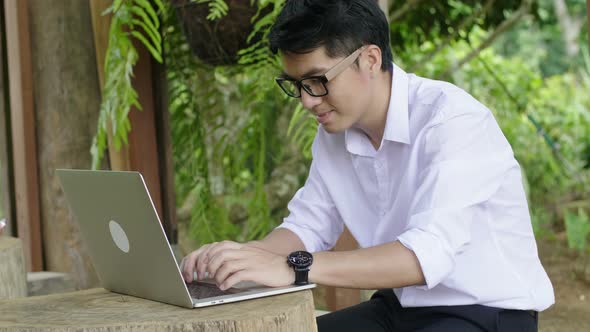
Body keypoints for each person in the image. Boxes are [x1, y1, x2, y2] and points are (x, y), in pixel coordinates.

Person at [181, 0, 554, 330]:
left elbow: (425, 255)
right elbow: (308, 226)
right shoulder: (334, 135)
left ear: (370, 59)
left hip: (485, 313)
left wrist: (292, 267)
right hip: (397, 308)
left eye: (317, 80)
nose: (307, 102)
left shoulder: (453, 121)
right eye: (296, 84)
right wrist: (241, 260)